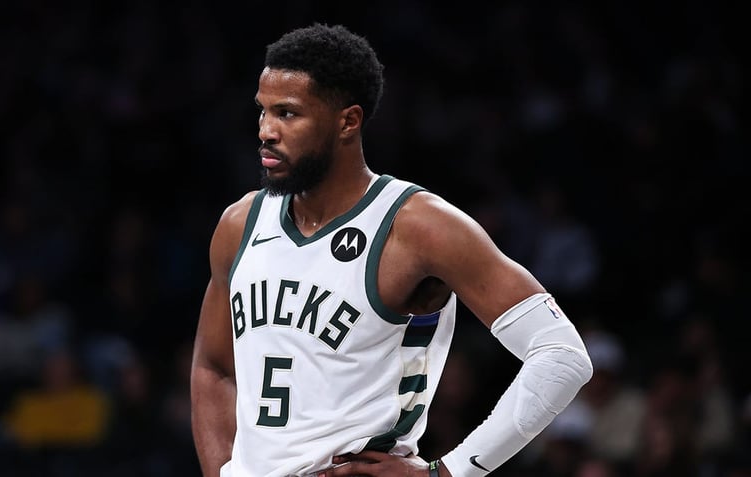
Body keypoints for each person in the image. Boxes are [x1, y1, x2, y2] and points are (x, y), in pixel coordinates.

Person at [190, 23, 594, 477]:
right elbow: (212, 367)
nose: (266, 130)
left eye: (287, 114)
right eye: (262, 111)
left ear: (348, 121)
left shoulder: (418, 226)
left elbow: (561, 355)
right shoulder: (239, 224)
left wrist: (449, 471)